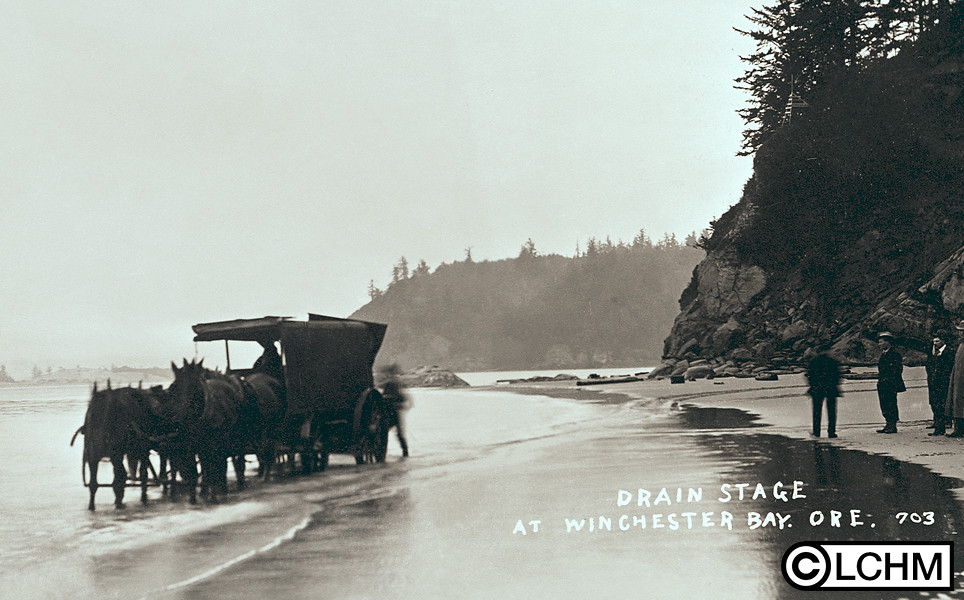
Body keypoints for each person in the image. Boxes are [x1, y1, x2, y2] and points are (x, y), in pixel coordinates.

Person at [806, 344, 841, 438]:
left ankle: (816, 432)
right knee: (832, 412)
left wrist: (812, 385)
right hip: (831, 389)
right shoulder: (833, 361)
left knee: (816, 412)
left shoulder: (814, 361)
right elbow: (837, 375)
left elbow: (809, 375)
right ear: (826, 351)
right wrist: (834, 384)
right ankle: (831, 432)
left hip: (817, 389)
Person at [925, 330, 955, 436]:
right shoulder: (934, 353)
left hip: (943, 383)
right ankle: (939, 426)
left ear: (943, 341)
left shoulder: (949, 352)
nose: (935, 343)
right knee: (935, 404)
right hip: (934, 383)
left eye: (937, 341)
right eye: (934, 341)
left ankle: (940, 427)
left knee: (941, 405)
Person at [875, 331, 905, 434]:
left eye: (881, 342)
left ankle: (892, 425)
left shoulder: (895, 354)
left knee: (891, 404)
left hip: (890, 383)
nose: (879, 344)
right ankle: (888, 424)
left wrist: (889, 379)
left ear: (887, 342)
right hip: (883, 383)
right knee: (884, 404)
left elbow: (898, 369)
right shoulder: (884, 354)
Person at [380, 366, 412, 457]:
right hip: (395, 412)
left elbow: (384, 397)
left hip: (390, 412)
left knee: (384, 432)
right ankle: (405, 451)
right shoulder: (396, 383)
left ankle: (383, 452)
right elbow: (403, 398)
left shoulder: (390, 383)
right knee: (399, 433)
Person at [944, 320, 964, 437]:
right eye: (960, 331)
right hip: (958, 379)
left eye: (962, 331)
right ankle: (959, 429)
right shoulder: (960, 345)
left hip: (961, 380)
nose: (960, 334)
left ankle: (960, 429)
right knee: (957, 402)